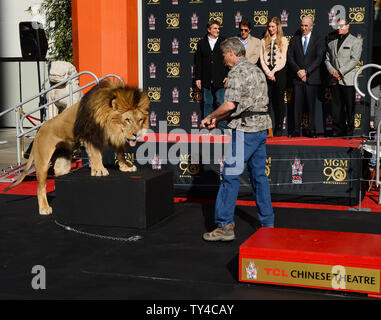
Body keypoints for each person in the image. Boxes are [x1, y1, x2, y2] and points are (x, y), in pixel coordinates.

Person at [200, 37, 274, 241]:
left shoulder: (236, 72)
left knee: (230, 176)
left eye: (224, 55)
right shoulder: (256, 69)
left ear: (232, 53)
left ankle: (224, 226)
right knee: (259, 177)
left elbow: (231, 105)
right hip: (260, 129)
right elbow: (244, 106)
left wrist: (210, 117)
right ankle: (268, 223)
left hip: (245, 131)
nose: (223, 59)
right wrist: (219, 119)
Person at [325, 18, 363, 138]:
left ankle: (349, 131)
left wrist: (340, 72)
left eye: (341, 25)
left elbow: (354, 60)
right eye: (337, 26)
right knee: (336, 107)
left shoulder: (355, 41)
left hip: (348, 79)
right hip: (334, 79)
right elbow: (326, 59)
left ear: (348, 26)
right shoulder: (331, 42)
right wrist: (333, 71)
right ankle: (337, 130)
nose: (338, 28)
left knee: (349, 107)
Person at [287, 16, 325, 138]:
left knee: (311, 106)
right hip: (297, 78)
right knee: (297, 106)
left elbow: (319, 58)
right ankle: (296, 130)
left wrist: (306, 72)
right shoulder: (294, 40)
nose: (303, 28)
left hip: (312, 78)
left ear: (311, 26)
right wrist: (299, 71)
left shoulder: (318, 39)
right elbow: (290, 58)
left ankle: (312, 130)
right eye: (302, 25)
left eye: (306, 25)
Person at [195, 19, 229, 130]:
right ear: (209, 29)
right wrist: (198, 78)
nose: (217, 30)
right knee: (207, 102)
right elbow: (198, 62)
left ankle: (223, 127)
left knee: (221, 103)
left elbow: (229, 60)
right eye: (215, 28)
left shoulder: (224, 42)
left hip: (220, 78)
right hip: (206, 79)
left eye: (218, 28)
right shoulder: (201, 43)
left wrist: (228, 76)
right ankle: (207, 126)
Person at [260, 17, 288, 136]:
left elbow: (284, 58)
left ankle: (279, 127)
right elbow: (261, 58)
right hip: (267, 73)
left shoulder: (283, 40)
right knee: (267, 102)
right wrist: (267, 72)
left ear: (277, 27)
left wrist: (274, 71)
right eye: (269, 27)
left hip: (279, 72)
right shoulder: (263, 40)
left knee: (279, 101)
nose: (271, 29)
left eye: (273, 27)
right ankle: (268, 128)